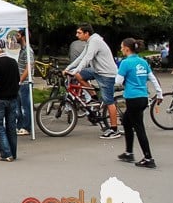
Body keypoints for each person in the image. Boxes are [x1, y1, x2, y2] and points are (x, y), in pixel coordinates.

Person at [64, 23, 121, 139]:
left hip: (106, 73)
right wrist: (69, 68)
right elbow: (81, 57)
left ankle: (114, 129)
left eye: (79, 33)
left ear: (87, 33)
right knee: (79, 75)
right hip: (97, 70)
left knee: (109, 101)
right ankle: (94, 97)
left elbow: (87, 58)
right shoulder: (90, 41)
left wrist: (75, 71)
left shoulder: (95, 41)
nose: (77, 35)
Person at [115, 38, 163, 168]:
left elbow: (118, 81)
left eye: (121, 47)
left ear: (126, 48)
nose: (120, 49)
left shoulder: (125, 63)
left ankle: (148, 158)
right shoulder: (143, 62)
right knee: (126, 121)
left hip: (132, 98)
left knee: (139, 128)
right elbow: (152, 78)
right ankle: (129, 152)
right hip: (143, 98)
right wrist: (159, 93)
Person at [0, 42, 20, 162]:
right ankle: (13, 152)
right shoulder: (13, 62)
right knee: (11, 126)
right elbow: (17, 80)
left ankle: (5, 153)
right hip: (12, 98)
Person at [15, 29, 33, 136]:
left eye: (17, 35)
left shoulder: (28, 50)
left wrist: (21, 79)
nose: (16, 37)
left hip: (25, 82)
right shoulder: (23, 49)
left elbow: (29, 67)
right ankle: (20, 125)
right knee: (19, 105)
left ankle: (27, 127)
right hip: (21, 82)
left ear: (22, 37)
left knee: (25, 106)